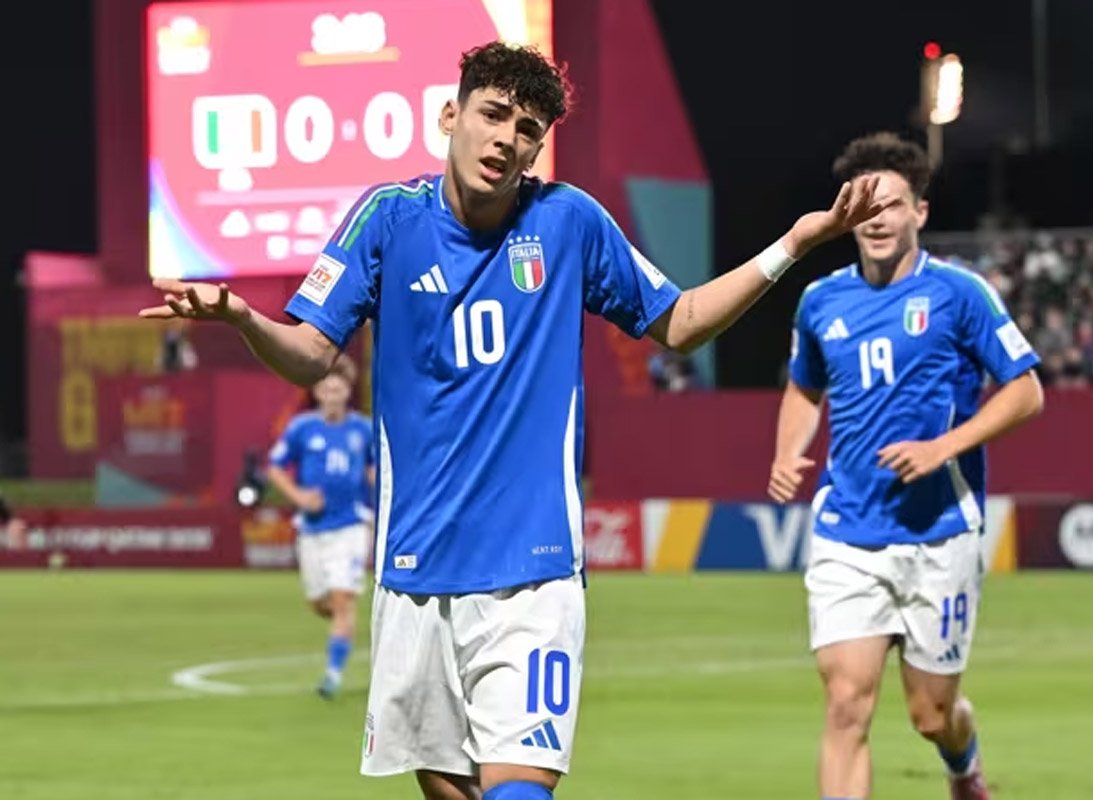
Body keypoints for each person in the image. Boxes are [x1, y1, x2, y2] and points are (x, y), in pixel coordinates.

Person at [139, 40, 887, 800]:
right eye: (492, 115)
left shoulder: (567, 222)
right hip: (414, 573)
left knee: (518, 786)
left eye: (526, 129)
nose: (506, 139)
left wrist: (793, 245)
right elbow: (308, 354)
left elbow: (683, 320)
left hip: (532, 570)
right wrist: (241, 318)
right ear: (450, 115)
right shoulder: (385, 220)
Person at [767, 132, 1044, 800]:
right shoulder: (820, 302)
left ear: (919, 211)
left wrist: (942, 449)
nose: (879, 218)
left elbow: (1026, 392)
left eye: (893, 204)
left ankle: (963, 767)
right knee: (845, 705)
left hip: (940, 533)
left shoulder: (960, 294)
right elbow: (805, 386)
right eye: (866, 205)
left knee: (931, 715)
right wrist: (787, 450)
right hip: (848, 530)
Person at [265, 353, 374, 699]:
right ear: (318, 392)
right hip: (312, 529)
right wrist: (298, 496)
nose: (332, 394)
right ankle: (343, 622)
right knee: (320, 603)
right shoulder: (302, 428)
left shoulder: (363, 429)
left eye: (338, 388)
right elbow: (275, 468)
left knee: (342, 601)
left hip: (351, 526)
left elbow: (375, 471)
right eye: (326, 388)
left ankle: (332, 674)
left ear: (347, 391)